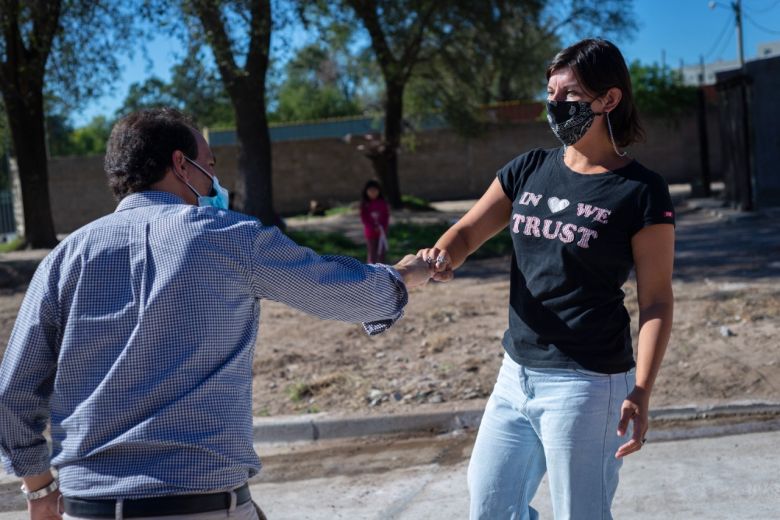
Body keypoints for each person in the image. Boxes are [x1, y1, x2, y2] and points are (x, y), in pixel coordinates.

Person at [0, 108, 433, 520]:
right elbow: (338, 290)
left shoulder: (63, 259)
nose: (216, 181)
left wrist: (39, 491)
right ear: (181, 164)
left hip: (86, 506)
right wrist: (402, 276)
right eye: (209, 163)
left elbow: (12, 395)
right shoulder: (228, 240)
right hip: (202, 503)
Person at [418, 38, 675, 519]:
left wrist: (641, 390)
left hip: (587, 384)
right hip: (515, 375)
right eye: (551, 94)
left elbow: (657, 300)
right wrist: (441, 256)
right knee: (490, 509)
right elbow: (469, 229)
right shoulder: (528, 169)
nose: (555, 106)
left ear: (609, 100)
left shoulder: (640, 191)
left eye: (570, 96)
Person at [359, 180, 390, 264]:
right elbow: (364, 219)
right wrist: (372, 227)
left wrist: (382, 227)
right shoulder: (364, 205)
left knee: (382, 253)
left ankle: (383, 271)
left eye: (375, 191)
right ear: (366, 192)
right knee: (372, 253)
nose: (373, 193)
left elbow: (386, 216)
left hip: (382, 233)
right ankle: (370, 272)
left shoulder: (382, 203)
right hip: (370, 233)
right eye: (370, 191)